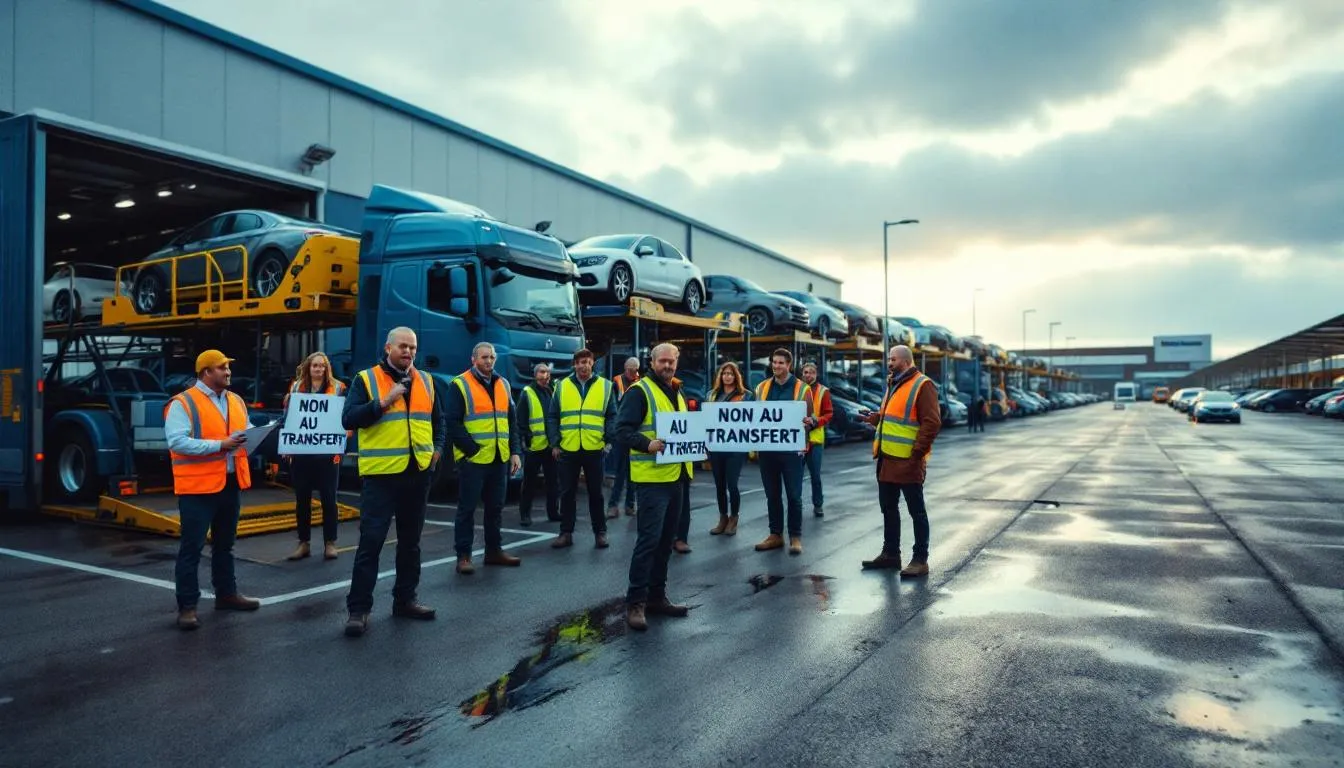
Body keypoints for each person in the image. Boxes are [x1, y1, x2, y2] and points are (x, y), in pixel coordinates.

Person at [341, 327, 446, 637]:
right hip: (381, 475)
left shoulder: (426, 380)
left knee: (411, 544)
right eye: (403, 346)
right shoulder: (367, 379)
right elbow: (348, 419)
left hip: (417, 473)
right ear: (388, 347)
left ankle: (405, 600)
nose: (409, 352)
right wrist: (383, 402)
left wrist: (437, 452)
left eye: (413, 348)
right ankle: (358, 610)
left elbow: (439, 422)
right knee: (370, 543)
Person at [165, 349, 261, 631]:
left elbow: (245, 429)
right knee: (191, 548)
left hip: (229, 483)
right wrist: (220, 445)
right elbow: (177, 442)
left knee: (225, 546)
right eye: (222, 368)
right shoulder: (183, 403)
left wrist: (259, 434)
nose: (228, 372)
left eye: (228, 368)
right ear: (206, 372)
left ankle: (226, 595)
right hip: (197, 488)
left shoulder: (236, 400)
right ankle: (187, 607)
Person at [616, 342, 694, 631]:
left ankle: (657, 597)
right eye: (662, 361)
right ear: (652, 361)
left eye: (671, 362)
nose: (667, 366)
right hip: (651, 480)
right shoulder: (640, 391)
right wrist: (647, 444)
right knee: (648, 542)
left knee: (665, 544)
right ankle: (635, 602)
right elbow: (621, 430)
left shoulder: (677, 390)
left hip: (676, 478)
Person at [859, 344, 942, 577]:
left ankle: (920, 559)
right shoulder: (894, 383)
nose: (889, 363)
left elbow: (932, 423)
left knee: (917, 512)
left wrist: (916, 454)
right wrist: (875, 419)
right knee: (888, 509)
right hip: (887, 460)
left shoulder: (922, 385)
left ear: (905, 361)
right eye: (889, 359)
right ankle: (891, 554)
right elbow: (894, 418)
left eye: (893, 359)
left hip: (908, 461)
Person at [448, 342, 523, 574]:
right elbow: (452, 422)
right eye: (484, 357)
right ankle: (464, 556)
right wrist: (472, 450)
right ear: (473, 359)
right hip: (473, 460)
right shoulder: (459, 384)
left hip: (499, 458)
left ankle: (493, 551)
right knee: (467, 509)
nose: (488, 361)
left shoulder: (504, 384)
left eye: (491, 357)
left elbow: (511, 421)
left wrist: (515, 452)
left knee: (495, 508)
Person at [548, 348, 617, 549]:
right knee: (567, 493)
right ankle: (566, 533)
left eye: (587, 362)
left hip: (594, 447)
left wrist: (607, 439)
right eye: (579, 362)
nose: (583, 366)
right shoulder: (561, 386)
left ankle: (600, 533)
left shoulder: (605, 386)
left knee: (596, 493)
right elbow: (553, 416)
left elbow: (612, 415)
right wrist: (555, 443)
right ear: (574, 365)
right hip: (567, 448)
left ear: (592, 363)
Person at [753, 348, 818, 555]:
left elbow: (812, 418)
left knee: (793, 496)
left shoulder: (802, 388)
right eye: (774, 362)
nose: (777, 366)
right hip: (767, 450)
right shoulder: (761, 388)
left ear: (789, 365)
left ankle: (795, 537)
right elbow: (754, 416)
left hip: (792, 451)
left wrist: (811, 422)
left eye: (781, 363)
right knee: (772, 495)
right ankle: (775, 535)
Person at [283, 352, 346, 562]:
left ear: (327, 369)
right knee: (302, 500)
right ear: (308, 368)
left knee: (329, 499)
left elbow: (346, 418)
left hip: (328, 454)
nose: (319, 369)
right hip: (301, 453)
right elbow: (288, 418)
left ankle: (330, 543)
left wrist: (343, 437)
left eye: (322, 366)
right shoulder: (296, 387)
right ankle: (304, 543)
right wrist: (287, 444)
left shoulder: (338, 388)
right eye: (315, 366)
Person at [706, 361, 753, 537]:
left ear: (736, 376)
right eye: (724, 373)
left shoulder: (746, 396)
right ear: (720, 376)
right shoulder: (711, 395)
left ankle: (734, 518)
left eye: (731, 374)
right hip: (716, 446)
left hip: (736, 447)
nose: (727, 376)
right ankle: (722, 518)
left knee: (732, 484)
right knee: (719, 485)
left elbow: (753, 420)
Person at [517, 362, 559, 527]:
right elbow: (521, 420)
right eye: (542, 372)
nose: (545, 375)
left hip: (550, 447)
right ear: (535, 375)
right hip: (533, 447)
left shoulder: (552, 391)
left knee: (553, 482)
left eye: (547, 373)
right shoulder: (527, 393)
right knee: (529, 483)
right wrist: (525, 439)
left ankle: (553, 512)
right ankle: (525, 514)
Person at [607, 356, 642, 519]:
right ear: (625, 368)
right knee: (619, 471)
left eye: (636, 370)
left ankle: (630, 505)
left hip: (635, 433)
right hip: (620, 434)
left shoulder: (641, 383)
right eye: (630, 370)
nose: (633, 373)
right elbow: (612, 409)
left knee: (633, 472)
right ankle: (613, 506)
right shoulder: (616, 384)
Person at [799, 362, 834, 518]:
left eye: (811, 372)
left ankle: (818, 504)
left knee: (815, 476)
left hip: (815, 441)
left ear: (816, 374)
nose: (808, 375)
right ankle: (796, 504)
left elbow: (828, 414)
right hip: (798, 441)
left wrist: (816, 422)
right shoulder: (797, 389)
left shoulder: (823, 392)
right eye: (806, 372)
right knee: (796, 476)